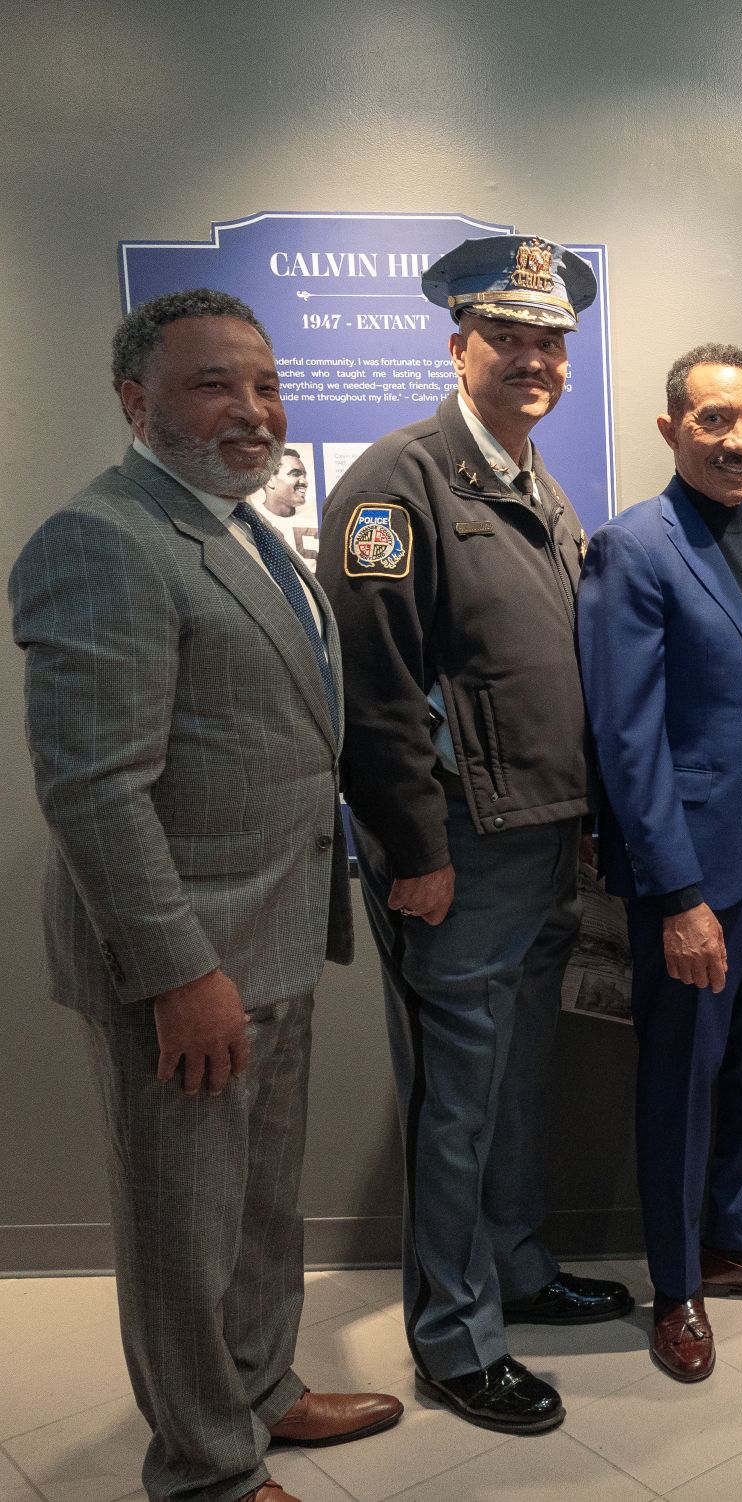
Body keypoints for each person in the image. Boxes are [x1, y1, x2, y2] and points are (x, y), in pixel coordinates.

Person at [11, 288, 400, 1502]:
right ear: (135, 400)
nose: (251, 408)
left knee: (257, 1208)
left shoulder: (232, 525)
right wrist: (181, 972)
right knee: (185, 1229)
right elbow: (94, 790)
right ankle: (205, 1470)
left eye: (264, 383)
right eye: (211, 384)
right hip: (185, 965)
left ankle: (262, 1391)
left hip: (273, 933)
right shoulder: (103, 541)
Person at [317, 235, 631, 1436]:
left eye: (552, 340)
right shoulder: (397, 485)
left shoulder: (532, 481)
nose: (537, 359)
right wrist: (416, 854)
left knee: (516, 1086)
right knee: (454, 1103)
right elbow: (378, 697)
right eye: (511, 337)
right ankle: (454, 1339)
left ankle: (515, 1269)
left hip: (541, 841)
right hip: (458, 848)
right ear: (459, 343)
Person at [578, 342, 742, 1384]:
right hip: (693, 871)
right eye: (714, 420)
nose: (739, 441)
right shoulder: (631, 549)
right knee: (680, 1079)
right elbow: (626, 737)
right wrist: (675, 891)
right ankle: (677, 1282)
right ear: (669, 430)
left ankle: (739, 1239)